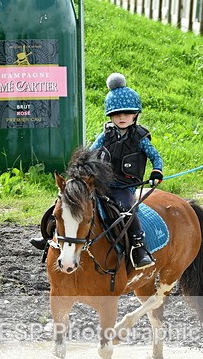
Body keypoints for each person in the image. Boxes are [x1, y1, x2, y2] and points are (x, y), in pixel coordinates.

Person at [30, 73, 164, 269]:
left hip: (124, 187)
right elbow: (90, 152)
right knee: (66, 201)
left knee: (127, 208)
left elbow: (156, 157)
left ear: (135, 114)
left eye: (127, 113)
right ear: (110, 116)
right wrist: (80, 173)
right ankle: (49, 235)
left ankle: (139, 246)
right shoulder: (105, 135)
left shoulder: (141, 138)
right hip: (101, 183)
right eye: (116, 114)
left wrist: (156, 172)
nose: (121, 118)